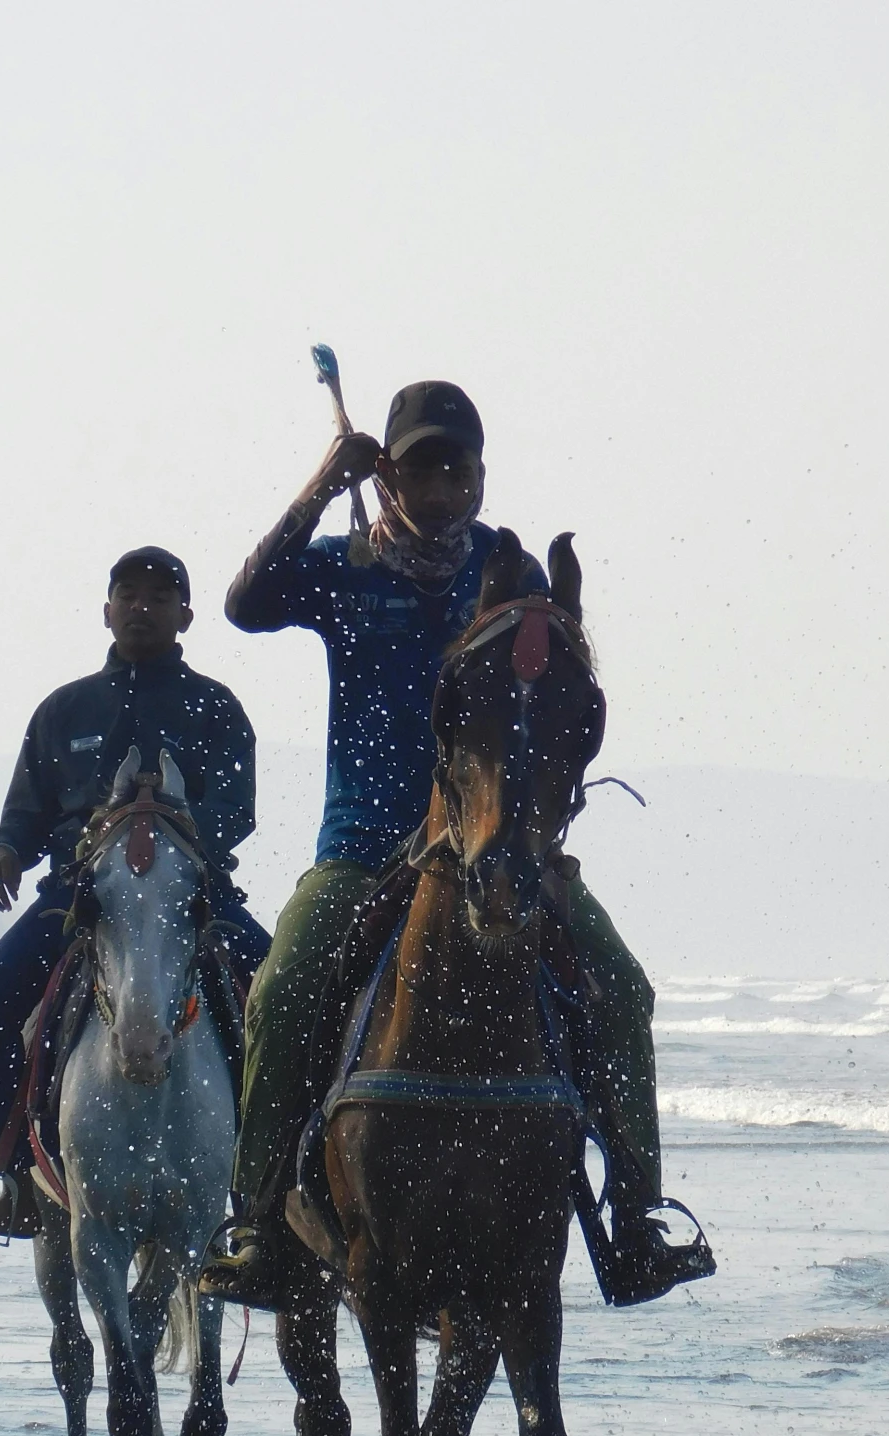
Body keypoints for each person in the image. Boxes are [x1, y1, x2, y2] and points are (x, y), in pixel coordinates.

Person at [200, 378, 676, 1306]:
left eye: (460, 470)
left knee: (622, 987)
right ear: (387, 476)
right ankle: (259, 1224)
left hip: (498, 847)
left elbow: (560, 690)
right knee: (284, 988)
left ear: (482, 478)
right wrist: (314, 486)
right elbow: (244, 606)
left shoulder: (511, 581)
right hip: (362, 846)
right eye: (424, 469)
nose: (445, 488)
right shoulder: (344, 571)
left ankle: (636, 1221)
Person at [0, 545, 271, 1243]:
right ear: (106, 609)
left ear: (185, 616)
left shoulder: (214, 707)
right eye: (128, 593)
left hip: (193, 903)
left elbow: (238, 810)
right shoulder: (64, 710)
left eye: (159, 597)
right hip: (78, 902)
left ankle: (271, 1191)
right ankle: (7, 1175)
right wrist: (1, 849)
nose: (141, 607)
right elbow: (24, 814)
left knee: (286, 996)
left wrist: (181, 844)